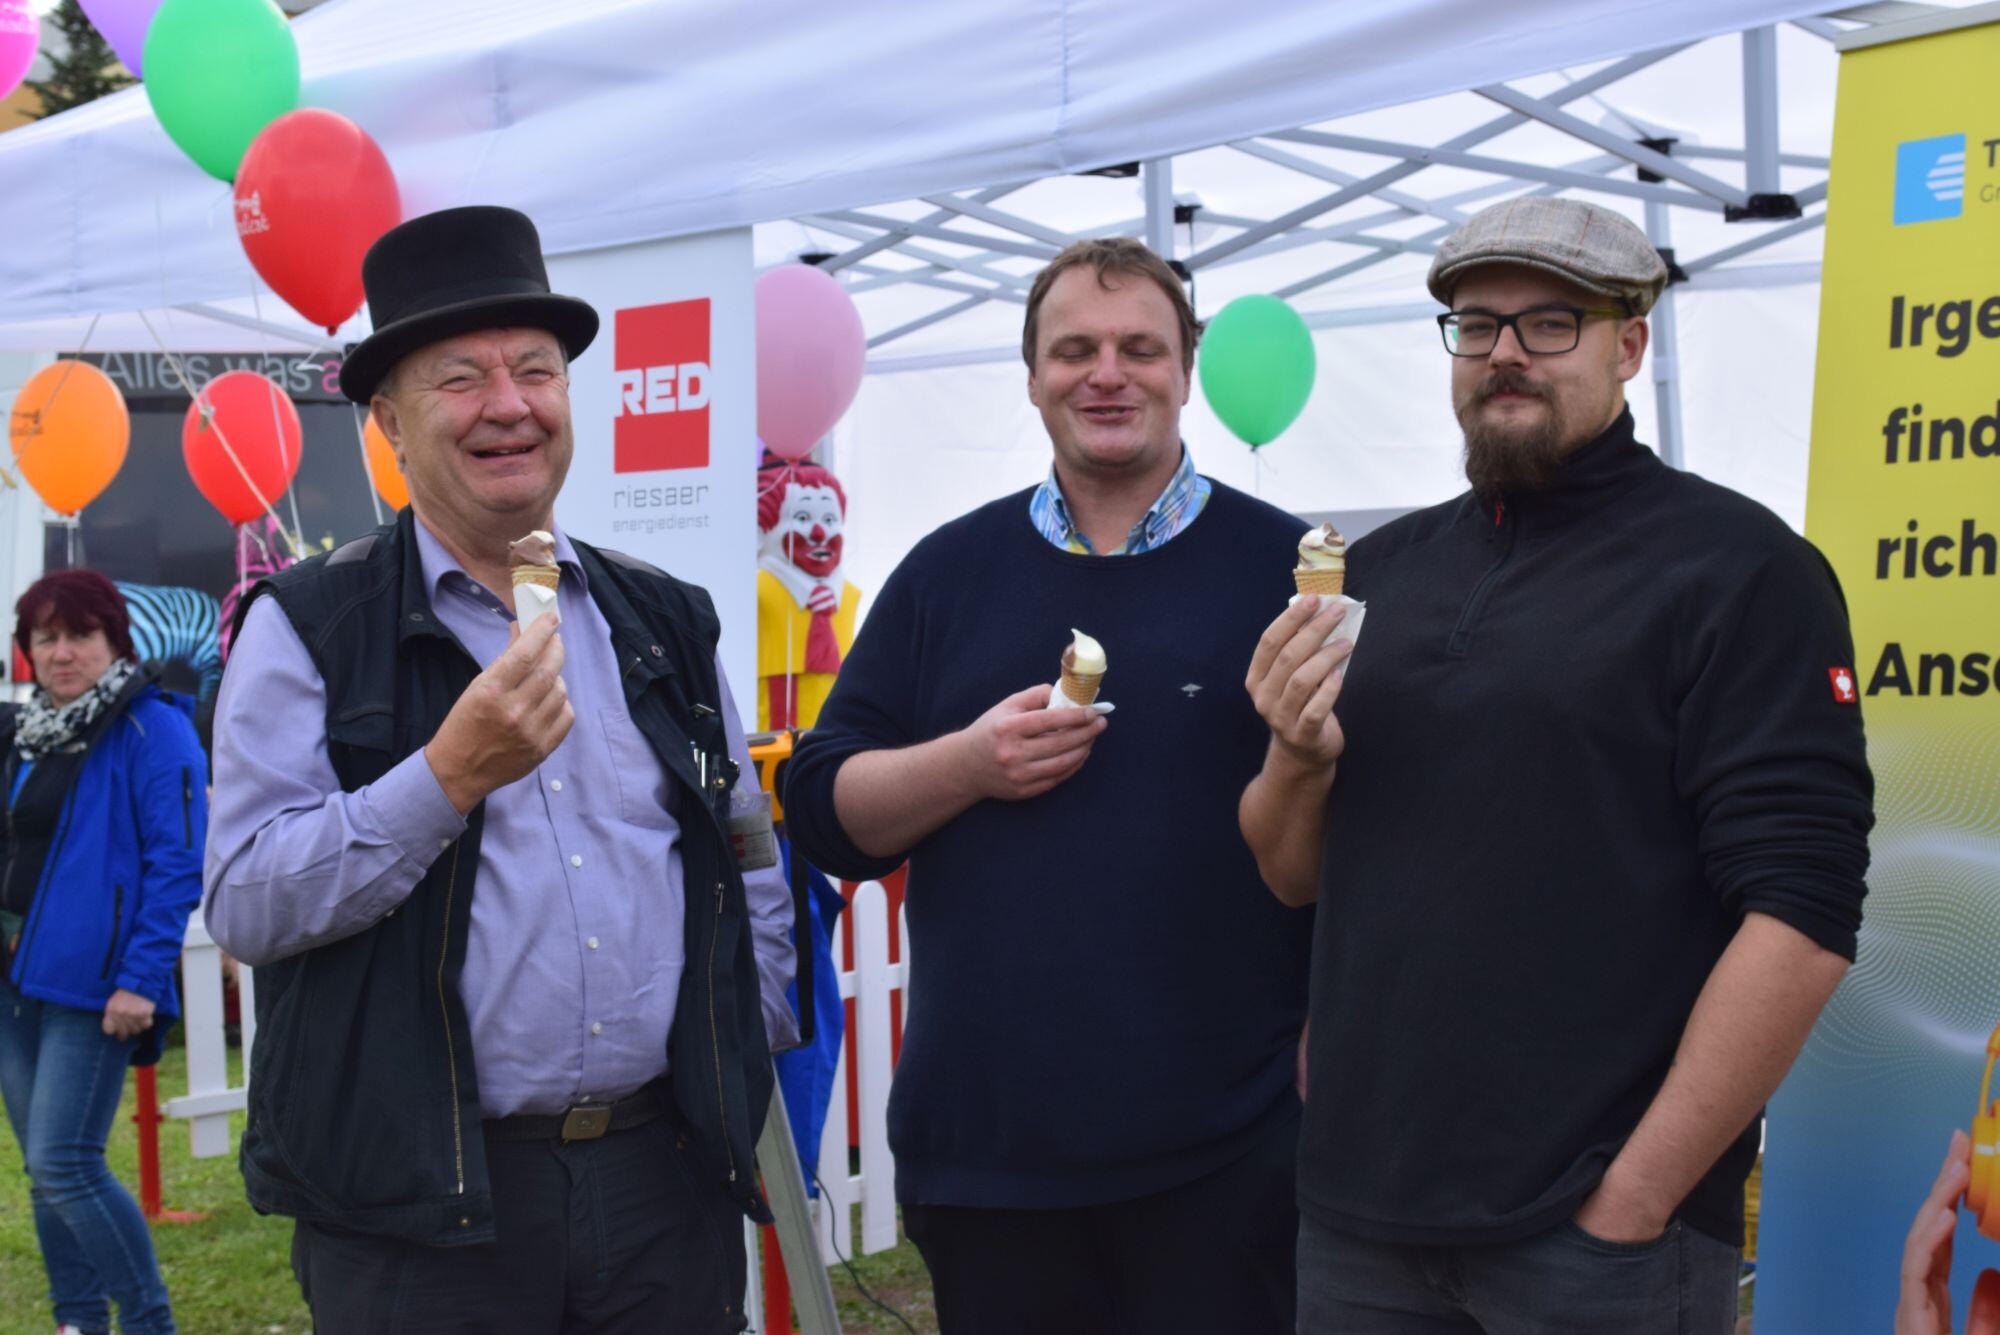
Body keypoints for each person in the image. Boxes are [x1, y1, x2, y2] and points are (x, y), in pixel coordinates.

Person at [1240, 195, 1875, 1333]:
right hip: (1358, 1221)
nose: (1504, 354)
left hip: (1592, 1240)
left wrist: (1634, 1200)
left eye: (1549, 323)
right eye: (1476, 325)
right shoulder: (1378, 573)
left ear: (1628, 345)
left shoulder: (1739, 570)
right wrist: (1296, 753)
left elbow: (1803, 914)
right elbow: (1293, 877)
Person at [203, 205, 797, 1335]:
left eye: (535, 369)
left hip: (658, 1180)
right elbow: (246, 901)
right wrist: (444, 776)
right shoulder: (308, 627)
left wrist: (743, 1029)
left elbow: (742, 841)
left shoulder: (662, 618)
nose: (509, 404)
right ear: (388, 421)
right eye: (460, 378)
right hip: (423, 1211)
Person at [783, 236, 1313, 1334]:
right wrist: (967, 764)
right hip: (991, 1160)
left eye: (1139, 349)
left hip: (1226, 1154)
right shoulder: (947, 574)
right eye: (1073, 350)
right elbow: (825, 814)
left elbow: (1372, 832)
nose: (1106, 374)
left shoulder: (1289, 574)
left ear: (1186, 371)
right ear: (1031, 378)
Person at [1, 569, 206, 1335]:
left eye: (80, 635)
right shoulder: (27, 734)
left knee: (65, 1160)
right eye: (46, 637)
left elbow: (176, 864)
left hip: (94, 986)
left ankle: (148, 1322)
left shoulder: (154, 728)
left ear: (116, 640)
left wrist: (142, 979)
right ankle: (79, 1321)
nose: (62, 652)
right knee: (44, 1168)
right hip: (14, 981)